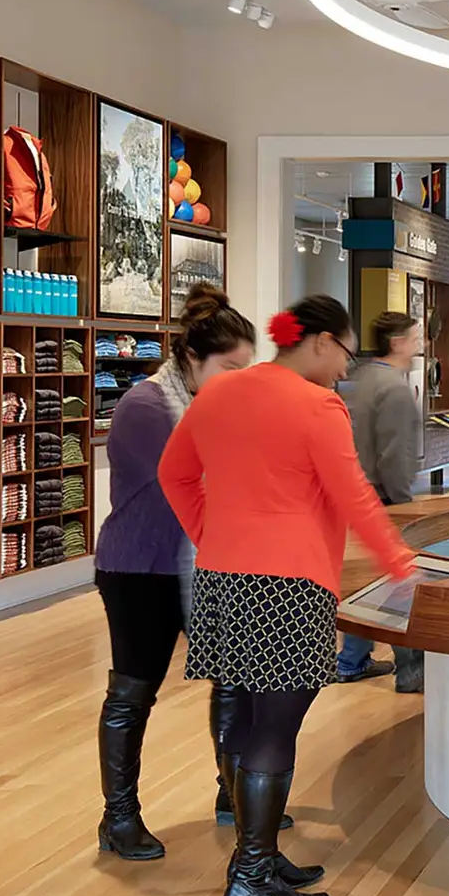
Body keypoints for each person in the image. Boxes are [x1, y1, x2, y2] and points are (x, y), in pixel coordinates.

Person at [160, 295, 416, 896]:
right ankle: (248, 878)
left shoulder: (218, 395)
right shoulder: (317, 405)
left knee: (247, 722)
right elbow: (354, 494)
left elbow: (175, 474)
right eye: (345, 354)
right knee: (274, 731)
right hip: (289, 586)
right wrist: (400, 568)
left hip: (222, 581)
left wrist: (214, 532)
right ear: (322, 342)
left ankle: (263, 857)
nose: (344, 369)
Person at [90, 283, 257, 860]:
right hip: (140, 570)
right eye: (230, 367)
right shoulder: (145, 406)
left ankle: (233, 795)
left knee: (231, 677)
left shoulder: (216, 406)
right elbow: (203, 478)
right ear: (192, 358)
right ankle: (118, 818)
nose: (240, 380)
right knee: (134, 691)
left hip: (204, 560)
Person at [336, 311, 426, 692]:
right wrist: (407, 507)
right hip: (385, 498)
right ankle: (411, 672)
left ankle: (350, 660)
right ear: (398, 342)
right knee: (400, 584)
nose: (421, 344)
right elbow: (395, 454)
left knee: (367, 582)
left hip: (355, 493)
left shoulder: (359, 379)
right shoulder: (395, 389)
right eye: (416, 337)